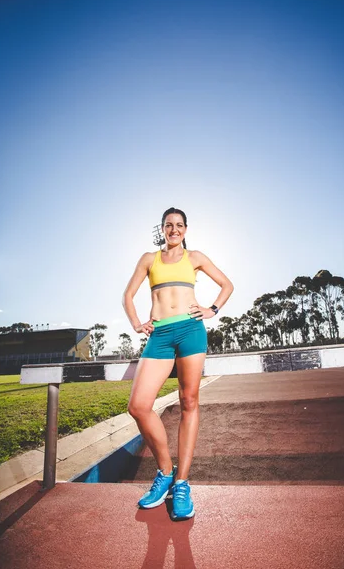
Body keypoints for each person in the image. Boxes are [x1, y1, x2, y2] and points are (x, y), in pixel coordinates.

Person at [122, 207, 233, 520]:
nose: (174, 229)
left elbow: (227, 285)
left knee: (189, 402)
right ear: (162, 228)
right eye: (168, 225)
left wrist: (212, 308)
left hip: (190, 331)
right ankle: (165, 471)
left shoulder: (195, 257)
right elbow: (128, 295)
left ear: (186, 229)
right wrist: (137, 323)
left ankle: (182, 484)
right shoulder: (149, 259)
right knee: (139, 405)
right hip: (159, 335)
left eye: (179, 225)